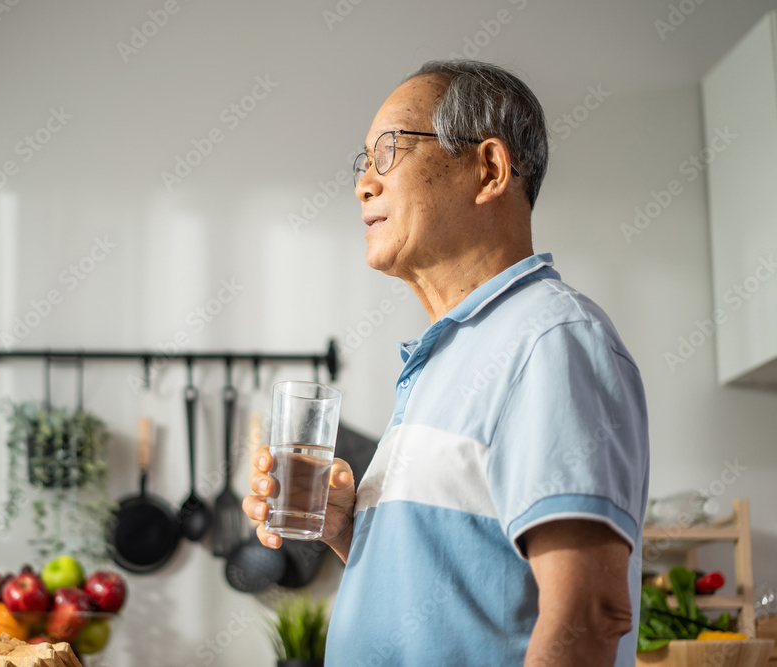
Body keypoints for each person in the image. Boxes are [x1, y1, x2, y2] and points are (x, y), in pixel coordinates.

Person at [243, 60, 649, 666]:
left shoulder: (551, 339)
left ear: (488, 169)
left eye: (389, 151)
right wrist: (348, 530)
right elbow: (465, 588)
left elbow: (589, 613)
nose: (363, 185)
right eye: (363, 162)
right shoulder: (446, 357)